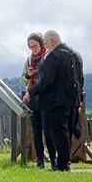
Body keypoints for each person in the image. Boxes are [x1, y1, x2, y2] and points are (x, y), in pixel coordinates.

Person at [32, 29, 81, 171]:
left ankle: (62, 165)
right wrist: (79, 98)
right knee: (69, 133)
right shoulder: (76, 55)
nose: (46, 47)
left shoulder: (54, 56)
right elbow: (80, 79)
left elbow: (47, 81)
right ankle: (66, 163)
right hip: (73, 99)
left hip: (57, 101)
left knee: (60, 133)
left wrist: (32, 91)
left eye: (46, 43)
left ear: (53, 41)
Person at [21, 32, 47, 167]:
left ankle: (54, 159)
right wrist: (28, 74)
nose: (33, 49)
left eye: (35, 46)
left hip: (46, 96)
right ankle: (40, 160)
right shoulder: (29, 60)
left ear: (41, 44)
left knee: (49, 130)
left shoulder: (48, 56)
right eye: (30, 47)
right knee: (36, 131)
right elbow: (23, 81)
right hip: (33, 97)